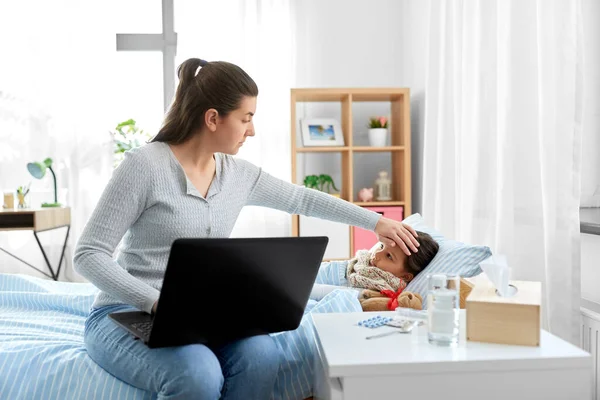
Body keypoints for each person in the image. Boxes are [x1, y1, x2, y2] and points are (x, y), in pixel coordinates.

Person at [74, 57, 420, 400]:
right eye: (246, 118)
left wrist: (376, 221)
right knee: (199, 374)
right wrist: (154, 302)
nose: (251, 130)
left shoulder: (237, 175)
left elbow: (303, 199)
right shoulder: (144, 166)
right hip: (124, 312)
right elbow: (88, 254)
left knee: (262, 356)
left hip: (203, 315)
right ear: (213, 118)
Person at [310, 231, 439, 301]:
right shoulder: (361, 263)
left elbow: (319, 293)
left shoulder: (378, 289)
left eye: (389, 256)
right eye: (381, 246)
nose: (377, 254)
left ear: (406, 276)